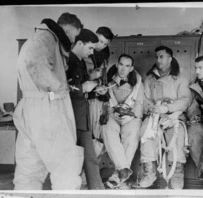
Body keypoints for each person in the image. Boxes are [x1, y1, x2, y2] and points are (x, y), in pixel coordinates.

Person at [13, 13, 84, 190]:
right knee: (65, 168)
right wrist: (60, 87)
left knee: (29, 170)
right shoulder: (46, 37)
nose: (73, 41)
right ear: (66, 30)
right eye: (74, 36)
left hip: (31, 107)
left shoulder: (36, 37)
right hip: (47, 108)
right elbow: (35, 65)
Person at [139, 46, 191, 189]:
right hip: (155, 114)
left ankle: (177, 175)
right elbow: (144, 99)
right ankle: (149, 173)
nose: (158, 60)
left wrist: (167, 108)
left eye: (161, 57)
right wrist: (153, 108)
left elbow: (185, 100)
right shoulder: (149, 78)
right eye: (157, 57)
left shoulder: (180, 78)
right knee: (145, 131)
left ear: (170, 58)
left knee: (178, 134)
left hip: (174, 115)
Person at [66, 29, 105, 190]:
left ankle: (98, 190)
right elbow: (61, 88)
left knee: (90, 158)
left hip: (82, 115)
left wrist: (94, 88)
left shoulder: (80, 61)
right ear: (79, 43)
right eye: (90, 48)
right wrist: (83, 88)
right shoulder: (67, 61)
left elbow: (80, 84)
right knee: (72, 160)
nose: (91, 53)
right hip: (71, 117)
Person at [102, 54, 144, 189]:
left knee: (132, 134)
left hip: (130, 115)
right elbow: (105, 101)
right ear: (117, 65)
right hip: (113, 113)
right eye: (121, 64)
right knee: (108, 131)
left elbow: (139, 103)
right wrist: (113, 114)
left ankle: (117, 175)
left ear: (131, 68)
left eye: (127, 66)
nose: (123, 69)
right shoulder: (108, 79)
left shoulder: (137, 81)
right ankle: (124, 168)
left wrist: (130, 116)